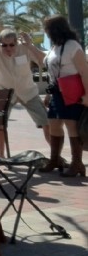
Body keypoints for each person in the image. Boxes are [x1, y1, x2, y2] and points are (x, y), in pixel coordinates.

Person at [29, 15, 87, 177]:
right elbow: (50, 69)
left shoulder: (72, 46)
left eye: (47, 28)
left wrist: (87, 95)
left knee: (71, 126)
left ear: (55, 29)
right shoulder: (56, 47)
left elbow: (84, 71)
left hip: (71, 92)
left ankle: (77, 163)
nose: (46, 32)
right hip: (57, 93)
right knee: (54, 124)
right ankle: (55, 159)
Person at [0, 29, 50, 157]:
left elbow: (45, 61)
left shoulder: (25, 47)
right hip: (4, 91)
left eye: (12, 44)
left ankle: (56, 157)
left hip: (28, 91)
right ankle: (2, 156)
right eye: (4, 45)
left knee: (46, 122)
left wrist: (30, 46)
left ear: (17, 42)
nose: (8, 48)